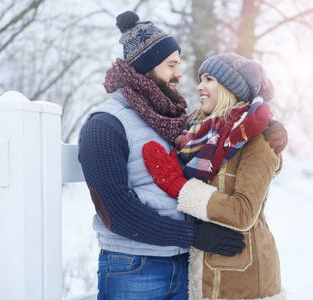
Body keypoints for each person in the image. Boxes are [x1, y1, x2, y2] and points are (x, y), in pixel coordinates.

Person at [78, 10, 288, 300]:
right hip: (135, 269)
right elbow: (115, 210)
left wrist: (266, 126)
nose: (180, 73)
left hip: (185, 267)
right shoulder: (105, 124)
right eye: (172, 65)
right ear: (147, 66)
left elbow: (231, 133)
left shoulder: (171, 122)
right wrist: (192, 236)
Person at [142, 53, 286, 299]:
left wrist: (181, 188)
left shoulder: (255, 138)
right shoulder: (193, 134)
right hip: (202, 276)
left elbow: (243, 212)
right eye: (200, 79)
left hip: (244, 280)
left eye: (208, 79)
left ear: (229, 88)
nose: (199, 86)